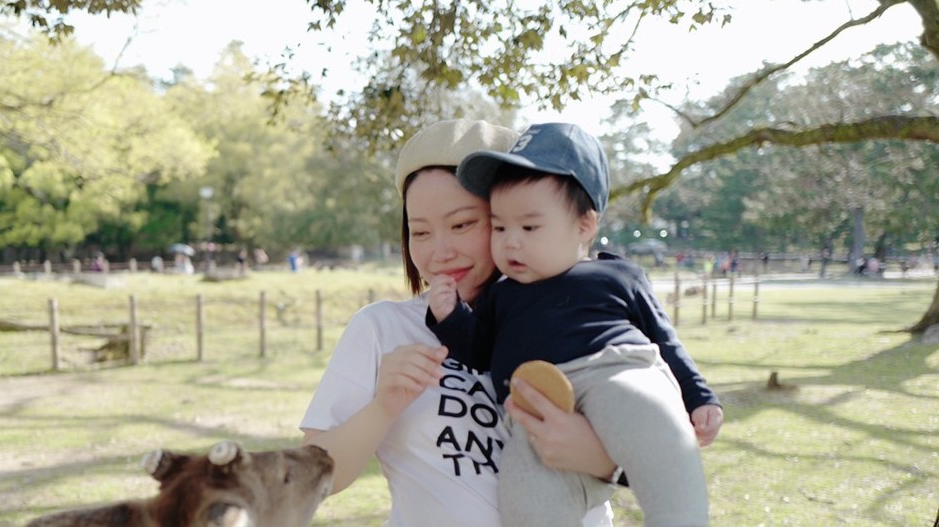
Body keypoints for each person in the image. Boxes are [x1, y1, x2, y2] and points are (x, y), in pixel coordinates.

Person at [301, 119, 615, 527]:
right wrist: (383, 406)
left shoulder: (584, 319)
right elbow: (312, 479)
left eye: (462, 224)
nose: (440, 252)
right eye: (421, 232)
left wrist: (595, 454)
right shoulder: (382, 329)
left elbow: (655, 448)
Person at [426, 122, 722, 527]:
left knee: (659, 441)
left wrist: (699, 397)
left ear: (584, 225)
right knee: (524, 499)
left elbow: (665, 341)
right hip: (533, 414)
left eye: (529, 227)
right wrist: (450, 315)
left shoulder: (616, 275)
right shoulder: (502, 294)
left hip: (615, 373)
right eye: (499, 226)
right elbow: (478, 352)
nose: (511, 241)